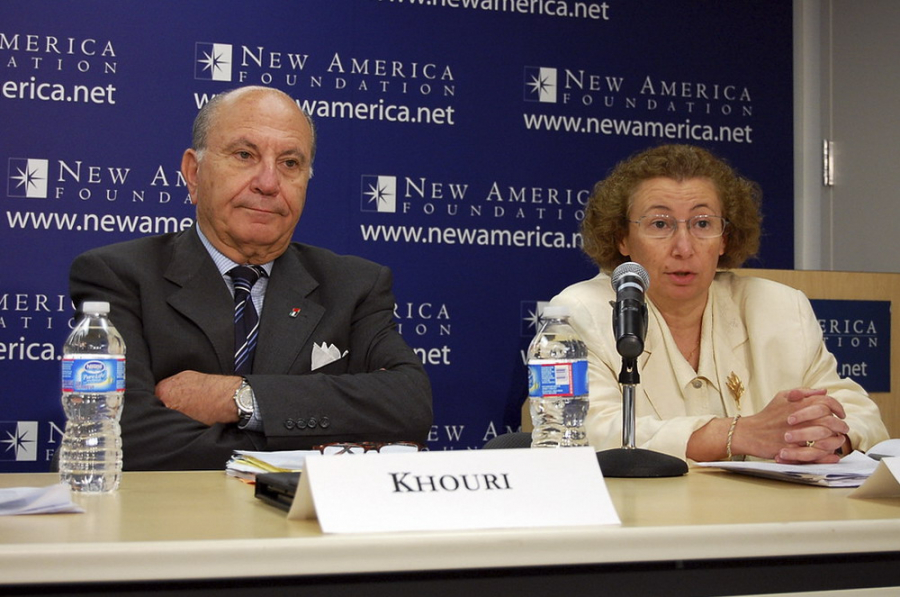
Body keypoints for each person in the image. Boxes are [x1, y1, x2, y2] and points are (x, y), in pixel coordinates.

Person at [69, 86, 433, 470]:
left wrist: (242, 398)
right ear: (193, 173)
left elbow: (408, 406)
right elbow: (119, 433)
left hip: (305, 509)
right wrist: (313, 441)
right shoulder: (118, 276)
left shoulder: (354, 285)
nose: (268, 183)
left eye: (290, 163)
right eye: (245, 155)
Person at [549, 144, 888, 463]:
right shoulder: (581, 313)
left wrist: (824, 439)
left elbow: (859, 414)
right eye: (660, 224)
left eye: (702, 224)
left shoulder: (779, 308)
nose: (684, 247)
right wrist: (736, 434)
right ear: (622, 237)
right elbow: (580, 432)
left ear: (724, 238)